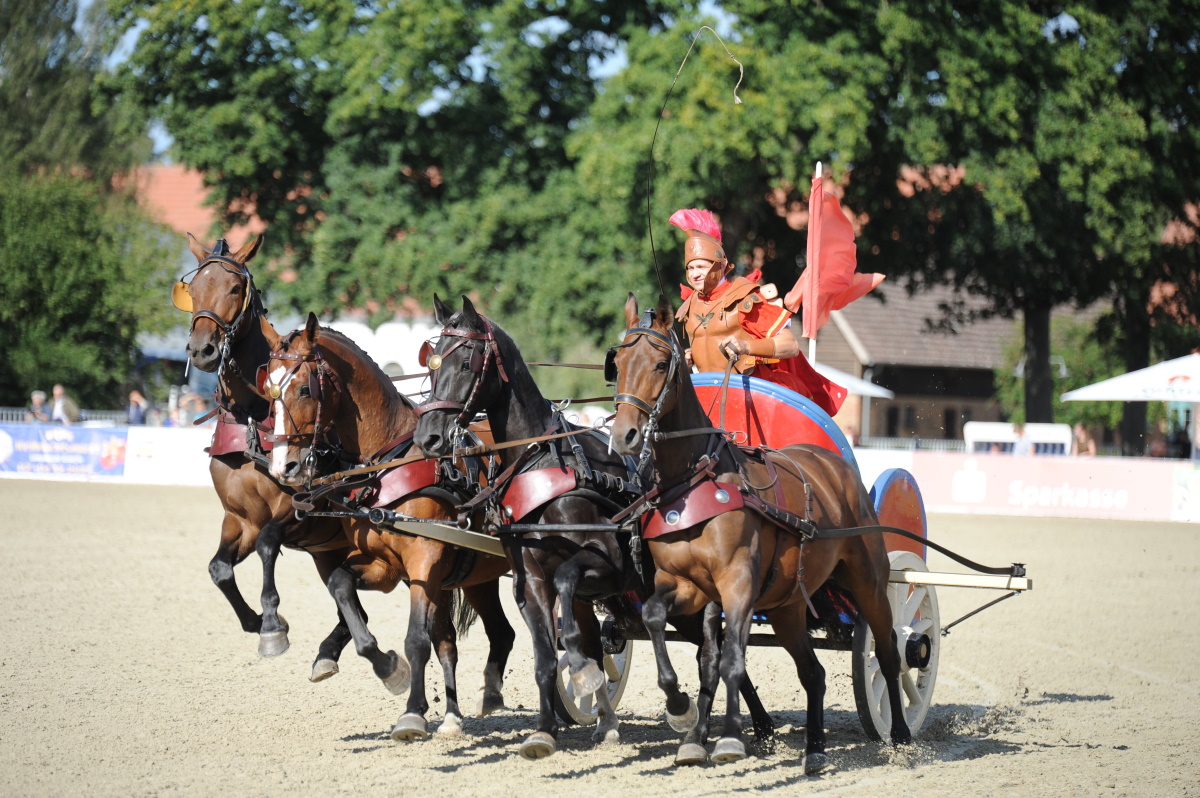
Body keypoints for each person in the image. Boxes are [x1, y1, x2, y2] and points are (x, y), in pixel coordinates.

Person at [668, 208, 846, 417]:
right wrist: (688, 360)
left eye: (701, 266)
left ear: (720, 265)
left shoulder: (743, 298)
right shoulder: (689, 307)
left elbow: (789, 345)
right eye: (690, 268)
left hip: (751, 398)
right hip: (706, 399)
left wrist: (746, 346)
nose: (695, 274)